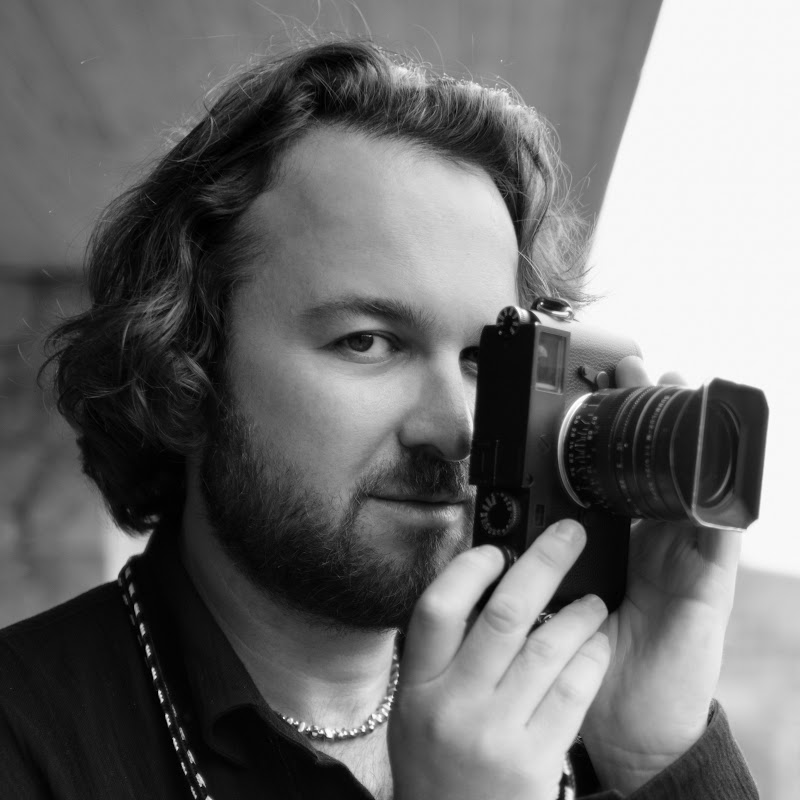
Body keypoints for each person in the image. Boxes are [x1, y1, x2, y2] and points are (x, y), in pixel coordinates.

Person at [0, 37, 758, 799]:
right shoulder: (24, 738)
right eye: (367, 342)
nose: (458, 429)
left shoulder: (565, 712)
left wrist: (655, 758)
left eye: (486, 359)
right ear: (185, 366)